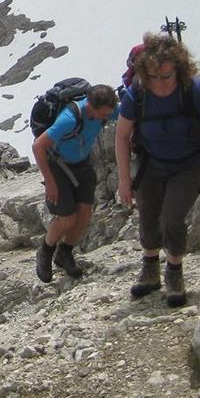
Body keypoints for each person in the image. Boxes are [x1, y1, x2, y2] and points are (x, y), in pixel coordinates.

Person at [114, 32, 200, 307]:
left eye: (167, 77)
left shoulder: (195, 90)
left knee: (172, 219)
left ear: (178, 70)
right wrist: (124, 180)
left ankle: (174, 273)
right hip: (152, 163)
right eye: (154, 77)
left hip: (190, 163)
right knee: (149, 217)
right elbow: (121, 136)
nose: (161, 84)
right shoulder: (137, 95)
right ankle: (150, 271)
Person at [32, 84, 119, 283]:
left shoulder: (104, 110)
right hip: (58, 165)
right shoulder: (69, 119)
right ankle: (45, 251)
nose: (107, 117)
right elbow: (38, 146)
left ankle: (65, 253)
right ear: (92, 107)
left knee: (85, 213)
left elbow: (127, 113)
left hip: (82, 164)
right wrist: (50, 182)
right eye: (104, 114)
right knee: (67, 218)